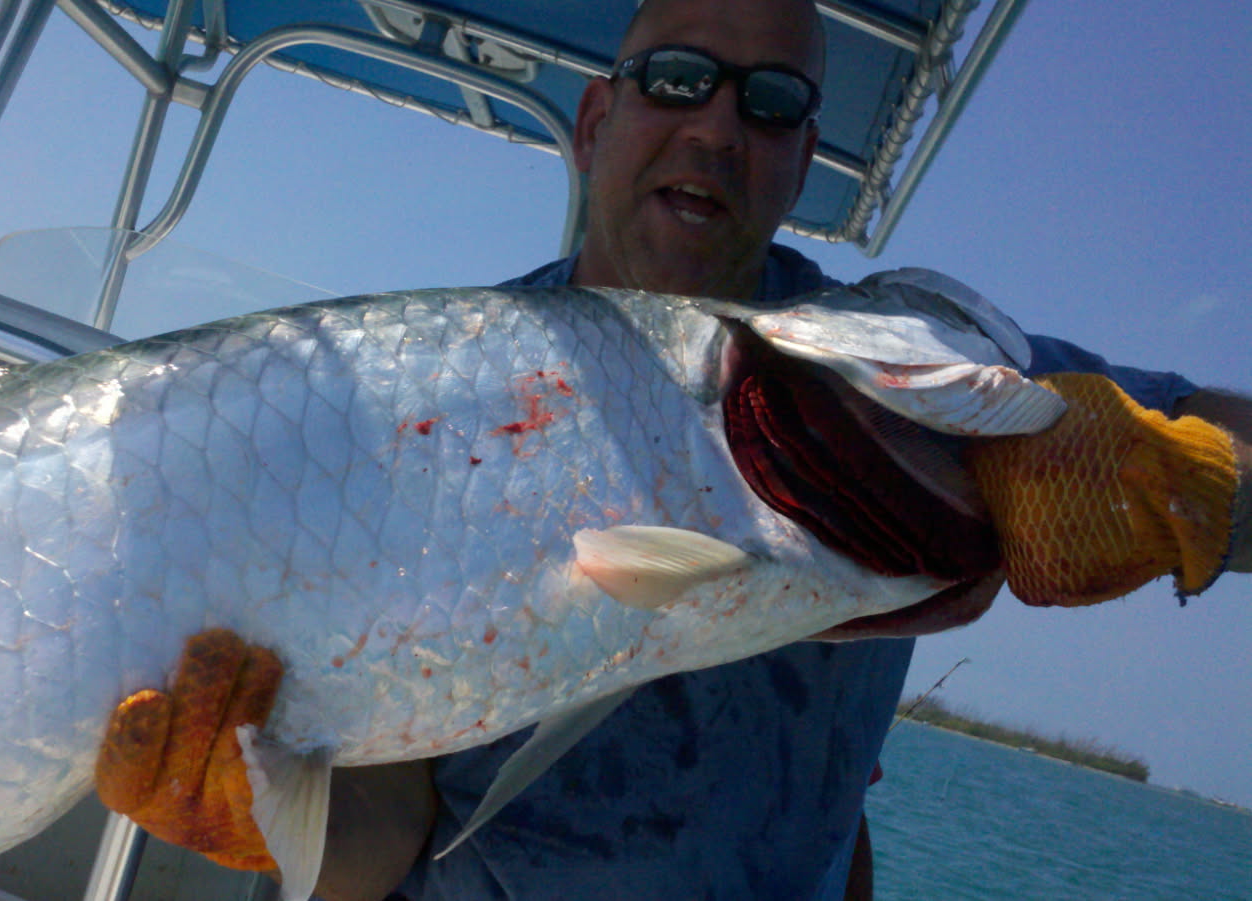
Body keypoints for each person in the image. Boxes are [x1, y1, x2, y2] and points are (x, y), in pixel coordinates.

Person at [99, 0, 1252, 898]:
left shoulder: (919, 369)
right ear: (598, 120)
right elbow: (388, 827)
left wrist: (1178, 473)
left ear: (802, 159)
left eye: (770, 102)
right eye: (677, 80)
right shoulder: (427, 400)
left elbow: (1220, 430)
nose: (715, 126)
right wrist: (254, 804)